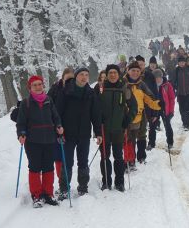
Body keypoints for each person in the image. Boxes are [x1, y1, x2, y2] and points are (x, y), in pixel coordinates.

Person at [16, 75, 64, 208]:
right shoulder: (26, 103)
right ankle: (37, 195)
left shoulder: (49, 100)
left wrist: (59, 126)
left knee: (48, 167)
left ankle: (48, 194)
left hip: (49, 139)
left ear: (43, 85)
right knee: (35, 167)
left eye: (40, 84)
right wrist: (21, 134)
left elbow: (56, 117)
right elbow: (21, 123)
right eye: (34, 85)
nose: (38, 87)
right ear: (30, 88)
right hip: (32, 141)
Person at [55, 67, 101, 198]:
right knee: (67, 162)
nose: (84, 77)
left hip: (84, 134)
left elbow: (95, 115)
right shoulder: (65, 91)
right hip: (67, 134)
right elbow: (58, 112)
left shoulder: (91, 93)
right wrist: (58, 127)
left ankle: (83, 187)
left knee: (83, 161)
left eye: (86, 75)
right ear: (76, 76)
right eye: (81, 74)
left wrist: (98, 133)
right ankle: (64, 189)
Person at [97, 64, 137, 192]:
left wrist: (127, 120)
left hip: (119, 129)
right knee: (104, 156)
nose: (112, 75)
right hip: (104, 129)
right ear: (107, 75)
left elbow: (134, 107)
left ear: (118, 74)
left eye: (115, 72)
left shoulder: (124, 88)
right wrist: (98, 121)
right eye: (110, 73)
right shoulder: (100, 88)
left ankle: (119, 182)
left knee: (118, 156)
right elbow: (94, 108)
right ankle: (106, 181)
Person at [123, 61, 161, 168]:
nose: (135, 73)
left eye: (137, 71)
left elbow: (150, 99)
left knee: (140, 137)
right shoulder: (123, 83)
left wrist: (158, 105)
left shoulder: (141, 84)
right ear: (128, 71)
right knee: (128, 140)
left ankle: (139, 157)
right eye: (133, 70)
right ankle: (128, 161)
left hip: (139, 115)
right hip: (126, 116)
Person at [47, 67, 74, 195]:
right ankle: (61, 183)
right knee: (58, 157)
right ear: (62, 78)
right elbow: (48, 105)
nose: (69, 81)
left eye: (71, 79)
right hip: (57, 128)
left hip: (71, 128)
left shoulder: (75, 89)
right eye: (67, 79)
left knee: (67, 158)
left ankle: (65, 183)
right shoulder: (55, 90)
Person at [151, 69, 175, 149]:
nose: (158, 79)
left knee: (167, 125)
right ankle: (151, 143)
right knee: (152, 126)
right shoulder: (151, 85)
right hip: (154, 109)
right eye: (156, 77)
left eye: (159, 77)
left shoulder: (167, 85)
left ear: (162, 77)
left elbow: (172, 98)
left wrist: (171, 111)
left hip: (165, 109)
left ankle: (170, 142)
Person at [173, 56, 189, 131]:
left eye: (183, 62)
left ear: (185, 62)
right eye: (180, 62)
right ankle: (184, 122)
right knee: (181, 109)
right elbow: (174, 81)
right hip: (180, 93)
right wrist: (175, 87)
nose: (182, 63)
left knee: (187, 109)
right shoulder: (176, 70)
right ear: (178, 63)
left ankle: (187, 124)